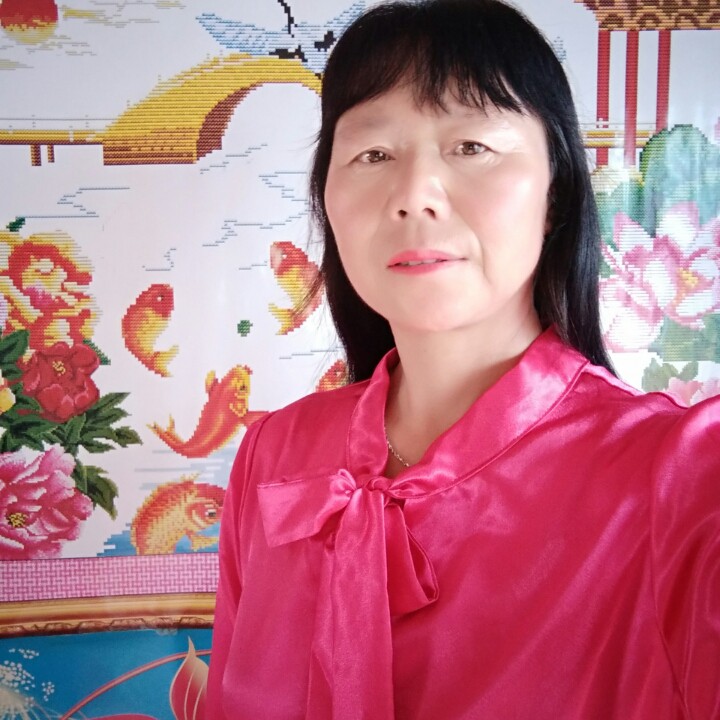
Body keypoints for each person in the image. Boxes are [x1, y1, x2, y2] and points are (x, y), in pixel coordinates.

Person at [206, 0, 720, 717]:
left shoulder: (680, 480)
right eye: (373, 154)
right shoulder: (273, 453)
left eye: (472, 145)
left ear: (555, 193)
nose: (414, 195)